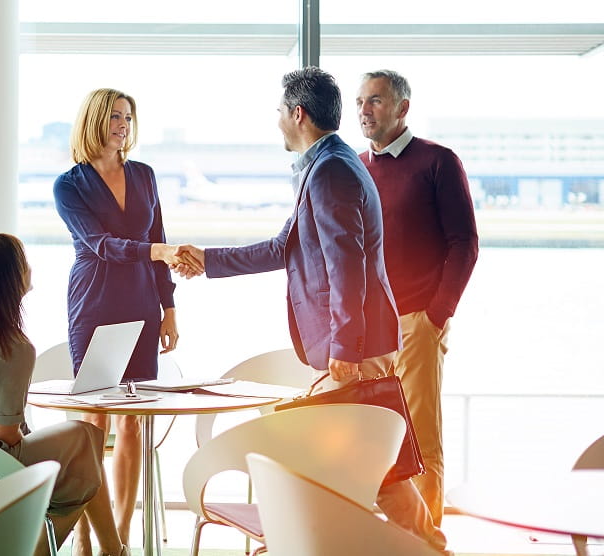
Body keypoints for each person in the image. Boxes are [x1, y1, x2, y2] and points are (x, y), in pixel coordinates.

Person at [174, 67, 449, 553]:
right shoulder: (327, 165)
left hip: (356, 348)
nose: (278, 120)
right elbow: (285, 247)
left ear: (298, 114)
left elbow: (348, 265)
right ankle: (421, 545)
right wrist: (208, 262)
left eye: (280, 111)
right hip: (357, 343)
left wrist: (346, 346)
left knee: (375, 464)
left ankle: (419, 546)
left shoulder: (331, 172)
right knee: (377, 464)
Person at [0, 234, 125, 556]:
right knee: (85, 439)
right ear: (13, 278)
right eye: (24, 262)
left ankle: (108, 550)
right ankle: (97, 550)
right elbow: (5, 436)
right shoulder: (12, 346)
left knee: (83, 451)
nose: (30, 268)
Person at [52, 88, 185, 545]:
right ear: (93, 120)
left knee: (134, 421)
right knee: (94, 423)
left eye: (128, 116)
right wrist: (157, 250)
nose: (122, 124)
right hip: (95, 302)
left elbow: (159, 240)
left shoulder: (145, 175)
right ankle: (90, 537)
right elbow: (101, 246)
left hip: (143, 305)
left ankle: (120, 538)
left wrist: (169, 308)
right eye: (114, 116)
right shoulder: (69, 185)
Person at [356, 69, 479, 527]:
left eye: (376, 101)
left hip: (415, 324)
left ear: (402, 108)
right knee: (369, 437)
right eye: (361, 102)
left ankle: (429, 543)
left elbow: (464, 243)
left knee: (420, 439)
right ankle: (383, 534)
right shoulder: (356, 167)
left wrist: (436, 316)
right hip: (365, 330)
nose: (365, 110)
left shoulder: (438, 162)